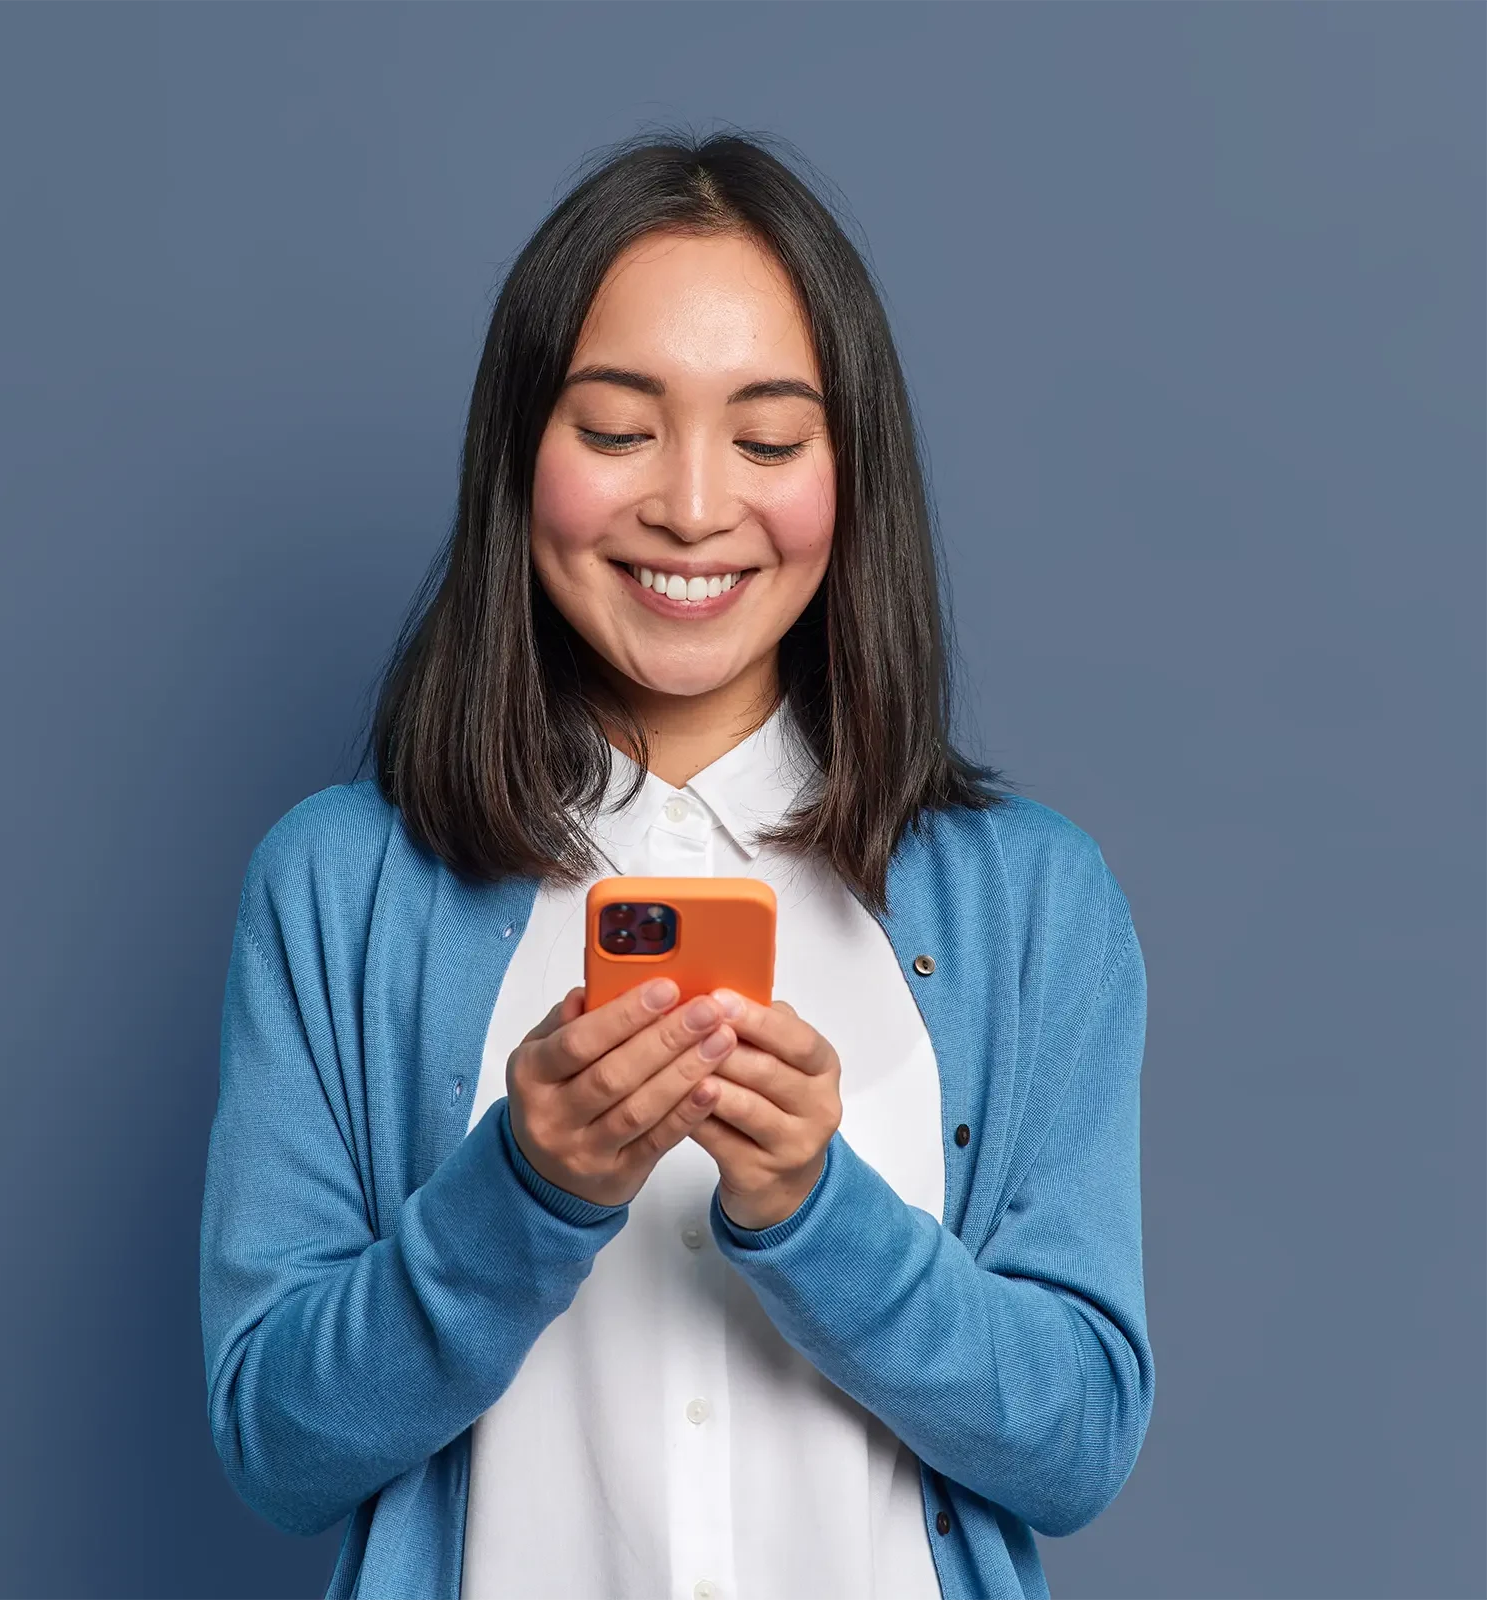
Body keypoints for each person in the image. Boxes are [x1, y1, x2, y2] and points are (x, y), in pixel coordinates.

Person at [199, 132, 1154, 1600]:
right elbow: (277, 1443)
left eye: (768, 440)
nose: (695, 507)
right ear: (521, 456)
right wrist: (523, 1188)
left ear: (850, 475)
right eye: (618, 427)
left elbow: (1079, 1439)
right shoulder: (339, 888)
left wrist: (816, 1214)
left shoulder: (1031, 904)